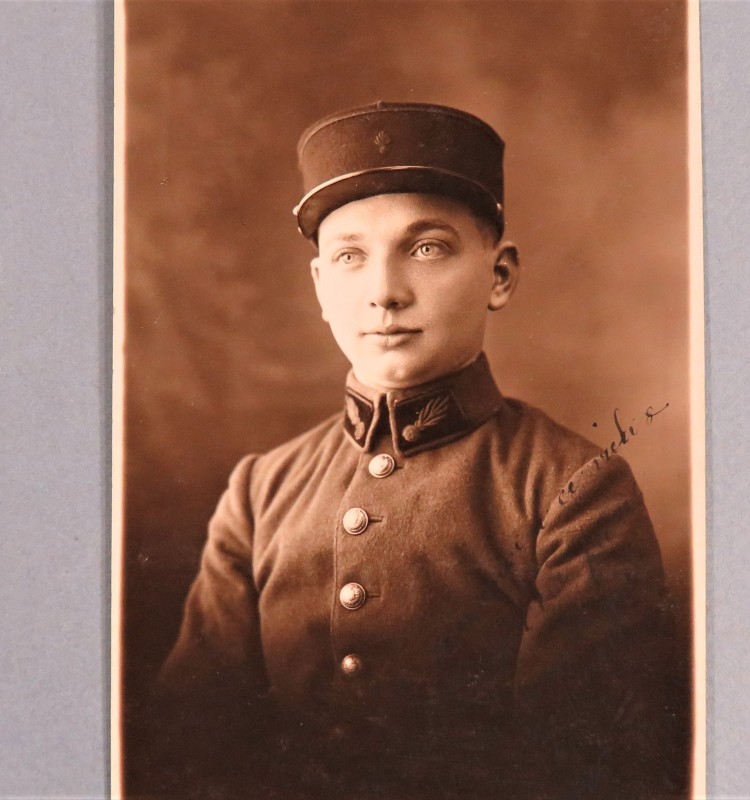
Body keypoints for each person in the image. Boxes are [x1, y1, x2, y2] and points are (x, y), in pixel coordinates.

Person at [149, 102, 683, 800]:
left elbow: (585, 765)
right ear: (319, 288)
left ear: (499, 276)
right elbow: (191, 748)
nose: (383, 293)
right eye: (349, 257)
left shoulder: (571, 485)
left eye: (426, 248)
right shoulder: (260, 491)